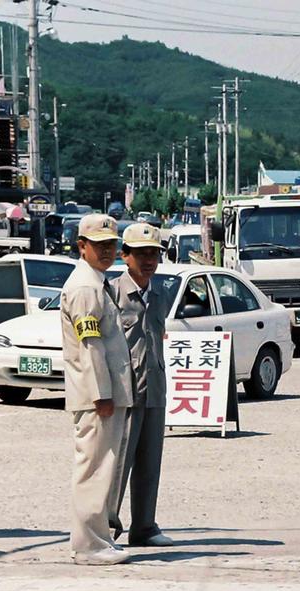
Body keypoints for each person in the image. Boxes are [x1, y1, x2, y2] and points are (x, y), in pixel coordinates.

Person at [61, 214, 134, 566]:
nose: (107, 251)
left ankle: (99, 538)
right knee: (93, 468)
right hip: (97, 396)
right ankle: (89, 545)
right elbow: (90, 345)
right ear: (82, 246)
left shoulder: (96, 281)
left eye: (112, 245)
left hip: (104, 393)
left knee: (103, 467)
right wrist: (101, 394)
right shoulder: (85, 287)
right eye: (99, 245)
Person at [109, 223, 174, 547]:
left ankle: (144, 526)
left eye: (154, 254)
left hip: (155, 387)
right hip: (125, 389)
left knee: (150, 461)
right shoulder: (111, 293)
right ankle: (106, 528)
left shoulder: (161, 294)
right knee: (119, 460)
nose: (149, 260)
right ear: (125, 256)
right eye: (141, 254)